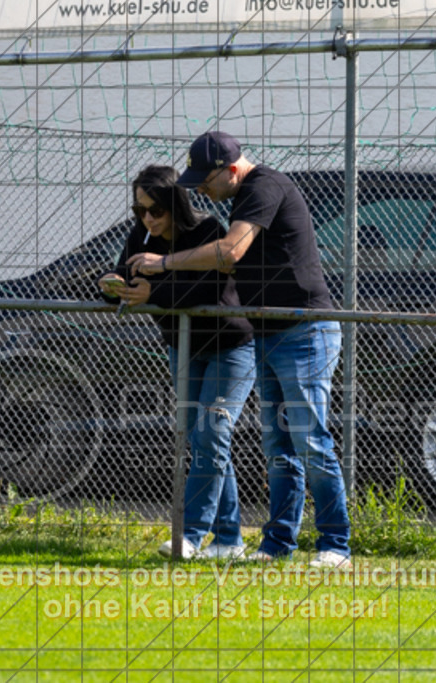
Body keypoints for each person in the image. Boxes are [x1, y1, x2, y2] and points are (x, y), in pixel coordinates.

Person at [128, 132, 351, 570]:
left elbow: (230, 252)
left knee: (310, 440)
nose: (200, 191)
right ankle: (277, 544)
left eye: (205, 181)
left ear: (232, 171)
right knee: (279, 445)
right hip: (267, 333)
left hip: (305, 330)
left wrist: (164, 263)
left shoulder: (263, 186)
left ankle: (336, 545)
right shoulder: (240, 195)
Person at [99, 164, 256, 560]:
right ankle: (229, 541)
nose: (147, 218)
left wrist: (155, 291)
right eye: (139, 211)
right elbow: (126, 274)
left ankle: (190, 534)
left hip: (230, 344)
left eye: (155, 210)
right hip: (182, 347)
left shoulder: (208, 231)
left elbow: (211, 286)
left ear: (175, 205)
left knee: (213, 432)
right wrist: (110, 286)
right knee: (205, 440)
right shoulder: (142, 235)